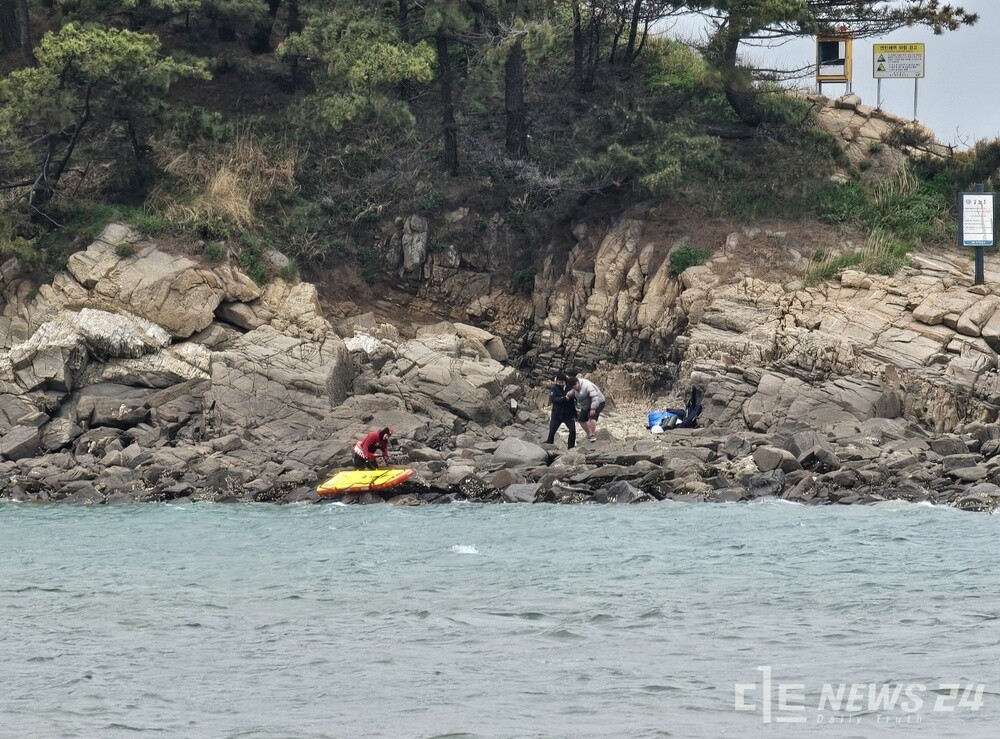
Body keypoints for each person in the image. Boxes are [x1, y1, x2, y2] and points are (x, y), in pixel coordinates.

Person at [568, 376, 606, 443]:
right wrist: (568, 395)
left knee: (591, 417)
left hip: (598, 402)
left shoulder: (587, 386)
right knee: (581, 419)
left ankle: (592, 435)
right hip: (586, 405)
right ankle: (588, 434)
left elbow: (595, 397)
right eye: (573, 387)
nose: (574, 389)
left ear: (577, 383)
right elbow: (573, 392)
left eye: (574, 387)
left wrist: (593, 408)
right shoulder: (575, 387)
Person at [544, 371, 576, 449]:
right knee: (551, 432)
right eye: (558, 382)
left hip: (568, 414)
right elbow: (553, 399)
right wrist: (564, 398)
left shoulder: (570, 387)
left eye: (561, 382)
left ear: (564, 380)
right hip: (557, 415)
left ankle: (571, 448)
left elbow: (575, 396)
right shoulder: (554, 388)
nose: (560, 383)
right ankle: (549, 446)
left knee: (572, 431)